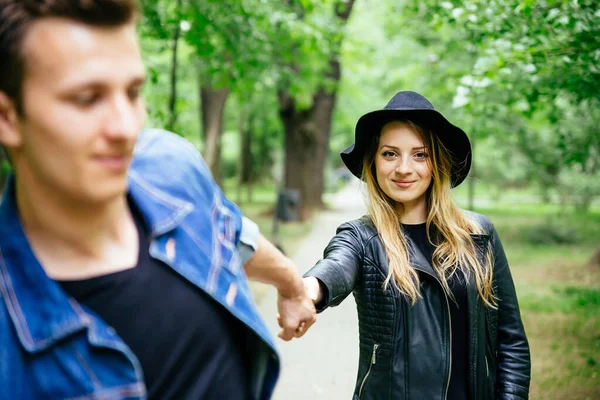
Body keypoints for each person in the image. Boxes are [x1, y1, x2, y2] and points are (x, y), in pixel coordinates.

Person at [0, 1, 315, 399]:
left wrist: (292, 285)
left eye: (132, 93)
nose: (126, 126)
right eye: (87, 98)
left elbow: (230, 231)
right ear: (8, 117)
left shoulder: (171, 167)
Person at [302, 91, 531, 399]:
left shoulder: (479, 234)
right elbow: (336, 266)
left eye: (420, 154)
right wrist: (309, 289)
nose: (404, 168)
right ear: (373, 162)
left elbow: (510, 341)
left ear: (436, 162)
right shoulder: (362, 239)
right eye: (390, 154)